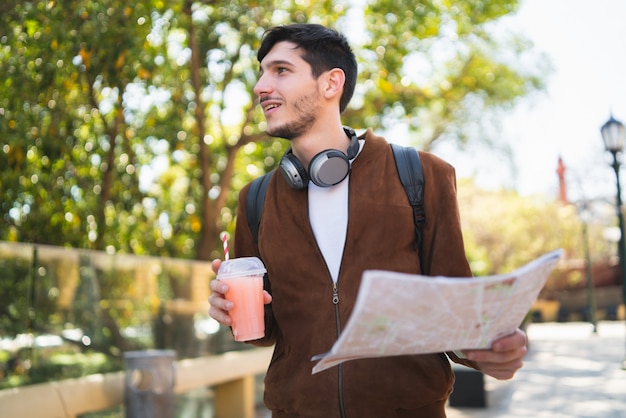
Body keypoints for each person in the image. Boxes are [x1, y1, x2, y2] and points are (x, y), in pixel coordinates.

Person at [209, 23, 528, 418]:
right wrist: (231, 312)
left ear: (331, 83)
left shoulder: (421, 175)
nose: (261, 86)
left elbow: (455, 317)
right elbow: (266, 331)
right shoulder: (255, 199)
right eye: (261, 73)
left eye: (281, 70)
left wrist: (491, 351)